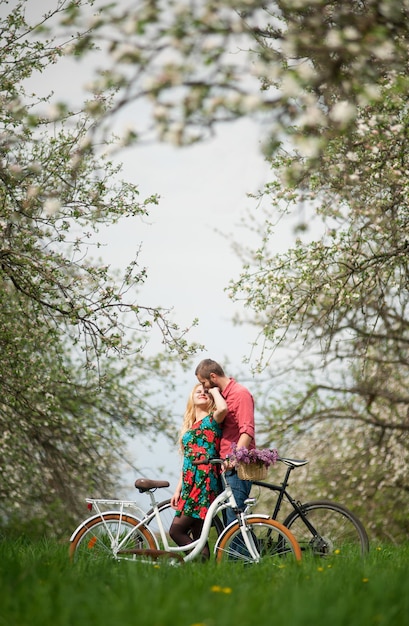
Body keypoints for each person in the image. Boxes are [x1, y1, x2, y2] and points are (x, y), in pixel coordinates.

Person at [169, 383, 227, 560]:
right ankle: (201, 570)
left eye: (206, 392)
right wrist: (178, 488)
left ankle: (192, 564)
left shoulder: (212, 420)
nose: (203, 393)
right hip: (189, 482)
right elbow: (188, 459)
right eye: (198, 391)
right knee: (198, 534)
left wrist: (214, 391)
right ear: (191, 397)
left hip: (204, 481)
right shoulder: (190, 425)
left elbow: (223, 407)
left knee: (176, 530)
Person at [195, 358, 255, 526]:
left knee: (235, 520)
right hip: (225, 465)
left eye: (203, 382)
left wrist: (234, 458)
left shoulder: (240, 394)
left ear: (213, 376)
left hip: (236, 466)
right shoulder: (223, 397)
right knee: (230, 521)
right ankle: (246, 551)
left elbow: (247, 430)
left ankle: (247, 553)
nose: (204, 388)